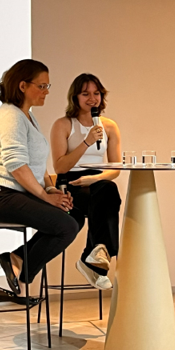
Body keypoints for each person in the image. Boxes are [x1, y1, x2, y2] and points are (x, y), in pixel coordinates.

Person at [0, 59, 79, 296]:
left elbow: (36, 163)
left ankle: (18, 267)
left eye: (48, 86)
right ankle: (20, 269)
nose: (46, 92)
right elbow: (16, 165)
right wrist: (45, 196)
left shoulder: (27, 116)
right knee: (66, 226)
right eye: (41, 86)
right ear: (22, 86)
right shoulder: (10, 116)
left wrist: (51, 190)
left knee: (66, 220)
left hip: (12, 193)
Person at [50, 74, 122, 290]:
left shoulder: (109, 126)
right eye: (85, 94)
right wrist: (86, 141)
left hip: (98, 181)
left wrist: (95, 178)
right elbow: (60, 167)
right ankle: (95, 262)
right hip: (71, 182)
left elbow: (116, 167)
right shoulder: (63, 125)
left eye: (96, 93)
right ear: (75, 97)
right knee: (107, 199)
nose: (92, 99)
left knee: (108, 189)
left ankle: (94, 257)